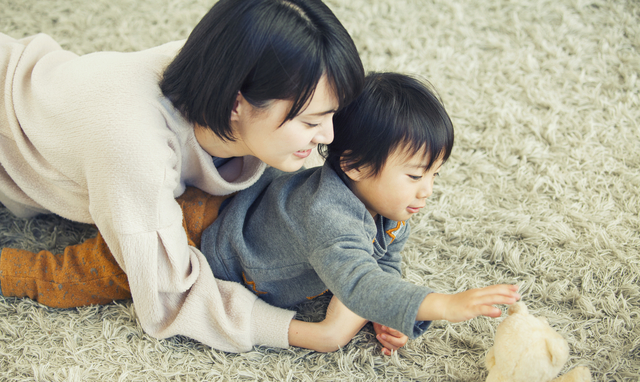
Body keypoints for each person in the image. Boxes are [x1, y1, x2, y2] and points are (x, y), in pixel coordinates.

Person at [0, 0, 365, 353]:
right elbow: (168, 294)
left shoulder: (220, 64)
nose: (328, 136)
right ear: (237, 103)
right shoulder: (135, 149)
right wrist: (317, 334)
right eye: (312, 121)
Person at [198, 72, 521, 353]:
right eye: (414, 175)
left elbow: (384, 263)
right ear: (354, 165)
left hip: (276, 204)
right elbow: (359, 282)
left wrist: (386, 313)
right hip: (229, 254)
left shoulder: (392, 208)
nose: (427, 191)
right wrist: (443, 304)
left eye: (434, 174)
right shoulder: (329, 218)